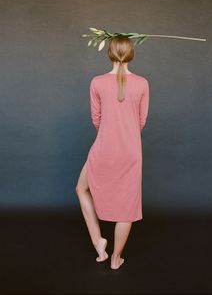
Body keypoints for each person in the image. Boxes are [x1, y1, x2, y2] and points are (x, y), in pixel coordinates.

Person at [75, 35, 149, 270]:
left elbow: (96, 119)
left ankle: (98, 241)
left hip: (103, 149)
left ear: (109, 53)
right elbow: (141, 121)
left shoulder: (96, 82)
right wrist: (125, 135)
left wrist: (109, 134)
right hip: (131, 152)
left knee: (81, 189)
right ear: (131, 54)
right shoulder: (142, 83)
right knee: (127, 208)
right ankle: (116, 258)